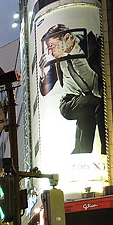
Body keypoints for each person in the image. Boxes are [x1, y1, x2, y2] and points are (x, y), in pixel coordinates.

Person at [39, 24, 106, 155]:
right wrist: (42, 72)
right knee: (97, 104)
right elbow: (45, 89)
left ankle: (80, 154)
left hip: (87, 100)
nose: (51, 51)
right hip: (69, 103)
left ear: (67, 38)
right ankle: (106, 150)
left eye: (52, 46)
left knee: (87, 120)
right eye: (49, 48)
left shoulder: (88, 44)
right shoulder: (58, 61)